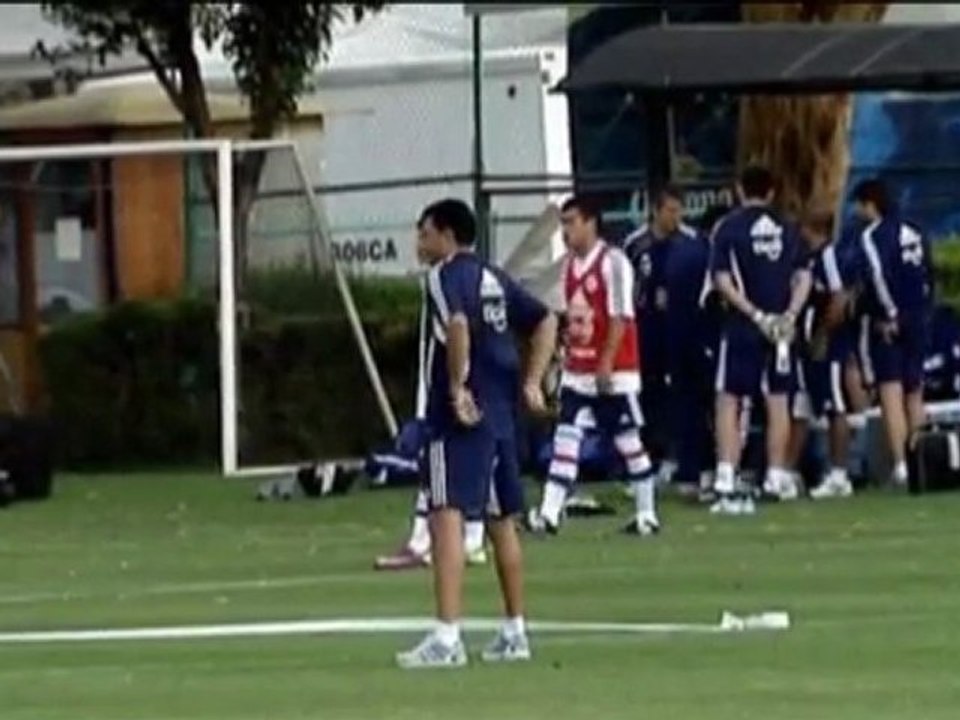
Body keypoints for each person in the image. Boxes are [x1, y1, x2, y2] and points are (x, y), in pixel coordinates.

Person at [396, 198, 557, 669]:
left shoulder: (444, 276)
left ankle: (447, 637)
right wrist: (533, 379)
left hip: (459, 418)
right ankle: (515, 631)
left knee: (444, 513)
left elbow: (458, 325)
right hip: (503, 414)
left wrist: (458, 384)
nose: (419, 243)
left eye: (424, 233)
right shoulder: (493, 276)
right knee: (500, 520)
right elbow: (545, 319)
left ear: (446, 236)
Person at [525, 195, 659, 536]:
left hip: (615, 374)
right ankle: (550, 513)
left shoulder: (613, 262)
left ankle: (647, 513)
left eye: (571, 222)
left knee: (628, 441)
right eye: (564, 223)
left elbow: (620, 317)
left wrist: (607, 363)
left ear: (590, 223)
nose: (566, 231)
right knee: (565, 440)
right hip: (578, 371)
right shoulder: (570, 264)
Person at [710, 165, 812, 514]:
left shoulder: (729, 228)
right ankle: (776, 475)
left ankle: (726, 474)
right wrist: (789, 317)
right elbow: (803, 277)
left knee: (729, 397)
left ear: (740, 190)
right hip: (781, 329)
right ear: (771, 192)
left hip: (743, 326)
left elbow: (722, 280)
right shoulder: (788, 228)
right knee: (778, 400)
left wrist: (755, 315)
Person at [851, 178, 933, 486]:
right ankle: (923, 459)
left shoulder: (873, 236)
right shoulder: (915, 230)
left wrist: (891, 315)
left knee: (891, 392)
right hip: (920, 318)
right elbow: (929, 274)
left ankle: (903, 464)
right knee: (915, 392)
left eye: (859, 205)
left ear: (869, 204)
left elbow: (879, 276)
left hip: (893, 322)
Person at [622, 186, 695, 472]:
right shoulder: (635, 244)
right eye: (670, 211)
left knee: (679, 393)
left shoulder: (690, 242)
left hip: (679, 329)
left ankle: (677, 457)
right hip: (645, 330)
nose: (676, 218)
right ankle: (649, 455)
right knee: (648, 393)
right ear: (656, 210)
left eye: (680, 211)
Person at [787, 206, 858, 499]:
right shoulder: (810, 260)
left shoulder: (828, 256)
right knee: (801, 408)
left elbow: (839, 296)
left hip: (826, 348)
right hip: (806, 347)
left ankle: (840, 474)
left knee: (834, 406)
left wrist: (823, 335)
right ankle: (785, 472)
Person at [660, 199, 722, 495]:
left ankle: (689, 470)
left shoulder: (681, 251)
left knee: (686, 408)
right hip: (702, 339)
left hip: (677, 340)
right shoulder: (707, 255)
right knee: (713, 407)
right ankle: (712, 469)